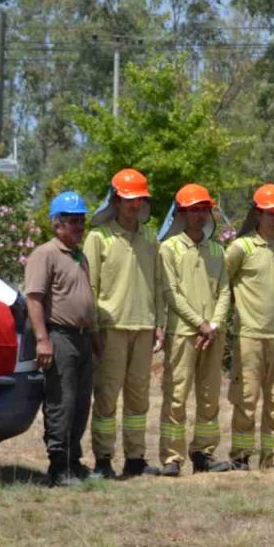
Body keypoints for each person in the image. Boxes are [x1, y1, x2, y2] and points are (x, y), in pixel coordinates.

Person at [84, 168, 164, 479]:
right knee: (106, 395)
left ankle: (135, 459)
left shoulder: (150, 237)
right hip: (110, 328)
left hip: (143, 326)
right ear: (115, 201)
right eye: (128, 199)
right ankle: (103, 459)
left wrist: (159, 323)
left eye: (139, 199)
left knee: (138, 398)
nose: (134, 205)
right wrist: (93, 327)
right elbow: (90, 286)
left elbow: (158, 283)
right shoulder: (98, 237)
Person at [225, 183, 274, 471]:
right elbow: (223, 283)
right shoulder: (240, 247)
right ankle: (240, 456)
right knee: (245, 399)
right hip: (249, 336)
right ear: (257, 214)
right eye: (270, 213)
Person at [156, 184, 233, 476]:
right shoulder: (169, 248)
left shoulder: (216, 249)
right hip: (183, 334)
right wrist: (199, 324)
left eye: (204, 209)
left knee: (210, 397)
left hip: (212, 334)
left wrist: (214, 325)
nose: (200, 215)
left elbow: (224, 290)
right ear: (181, 213)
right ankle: (172, 457)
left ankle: (204, 453)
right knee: (176, 395)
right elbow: (171, 293)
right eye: (194, 210)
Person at [25, 191, 96, 487]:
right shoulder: (45, 254)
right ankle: (58, 466)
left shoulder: (79, 256)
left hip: (82, 338)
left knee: (81, 403)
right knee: (61, 401)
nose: (80, 226)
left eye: (82, 220)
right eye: (73, 221)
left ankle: (73, 460)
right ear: (57, 224)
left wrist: (94, 336)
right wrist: (43, 339)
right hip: (60, 336)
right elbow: (34, 298)